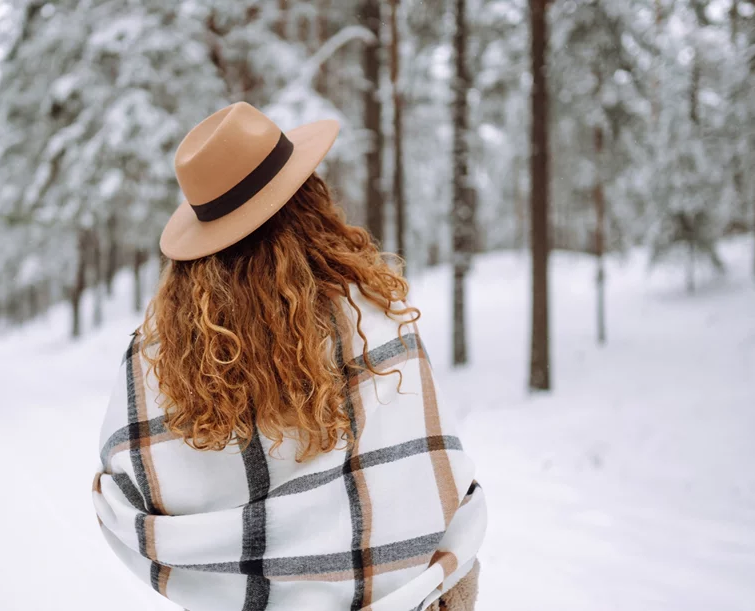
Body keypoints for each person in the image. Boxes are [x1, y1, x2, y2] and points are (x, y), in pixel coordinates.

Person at [92, 102, 486, 611]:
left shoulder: (153, 361)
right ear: (309, 205)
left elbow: (122, 496)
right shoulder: (373, 319)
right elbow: (439, 479)